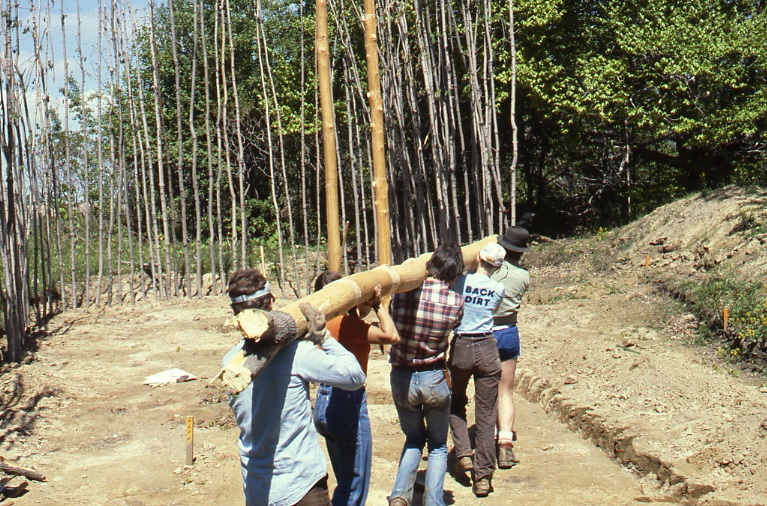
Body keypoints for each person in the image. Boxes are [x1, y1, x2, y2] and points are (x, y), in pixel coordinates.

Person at [223, 268, 366, 506]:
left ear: (234, 313)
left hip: (258, 488)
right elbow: (354, 376)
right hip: (301, 487)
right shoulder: (297, 353)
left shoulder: (230, 363)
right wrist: (324, 338)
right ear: (271, 304)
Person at [312, 271, 400, 506]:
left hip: (324, 398)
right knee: (354, 484)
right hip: (347, 401)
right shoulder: (347, 324)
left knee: (345, 479)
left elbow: (358, 314)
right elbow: (390, 335)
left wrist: (368, 304)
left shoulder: (322, 322)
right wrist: (380, 306)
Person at [387, 243, 465, 506]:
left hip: (402, 376)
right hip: (433, 376)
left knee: (413, 439)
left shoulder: (402, 294)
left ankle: (400, 495)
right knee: (438, 445)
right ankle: (434, 501)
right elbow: (455, 326)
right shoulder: (455, 302)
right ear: (454, 273)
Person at [448, 242, 506, 497]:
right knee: (486, 412)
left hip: (462, 344)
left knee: (455, 402)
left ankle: (463, 454)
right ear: (497, 266)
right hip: (487, 346)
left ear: (478, 259)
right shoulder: (498, 288)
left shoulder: (460, 282)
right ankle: (483, 477)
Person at [490, 226, 531, 469]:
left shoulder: (485, 271)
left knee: (485, 392)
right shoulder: (524, 276)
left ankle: (483, 443)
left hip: (483, 332)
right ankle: (505, 444)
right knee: (505, 391)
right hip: (508, 332)